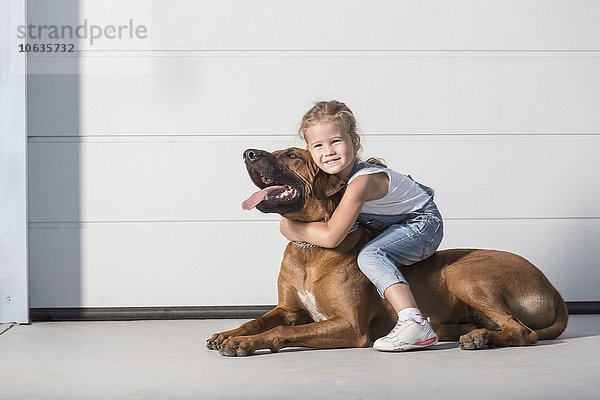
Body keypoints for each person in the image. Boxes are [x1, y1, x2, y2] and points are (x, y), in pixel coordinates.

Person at [279, 100, 443, 352]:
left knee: (371, 254)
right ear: (309, 151)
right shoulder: (335, 180)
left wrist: (290, 227)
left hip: (421, 223)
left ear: (354, 142)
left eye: (335, 141)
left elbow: (332, 236)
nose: (329, 151)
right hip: (392, 224)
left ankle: (413, 322)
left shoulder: (361, 182)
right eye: (318, 145)